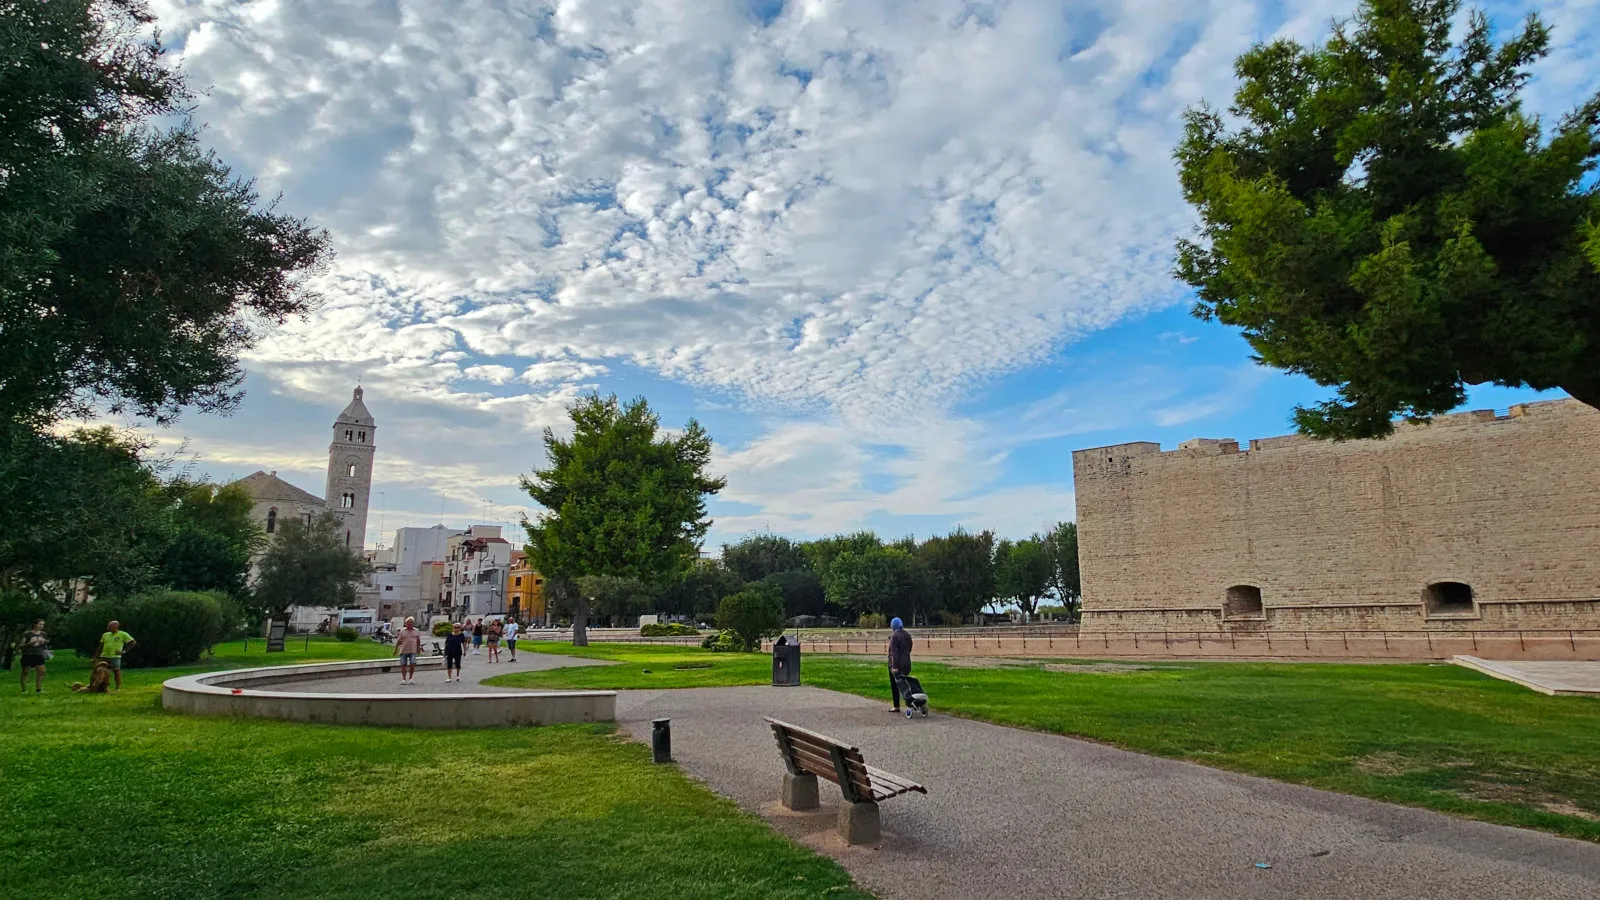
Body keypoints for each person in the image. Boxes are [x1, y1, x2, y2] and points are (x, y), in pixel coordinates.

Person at [96, 620, 136, 691]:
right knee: (101, 672)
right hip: (104, 656)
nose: (108, 628)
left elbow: (133, 642)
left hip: (115, 657)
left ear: (116, 627)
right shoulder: (105, 635)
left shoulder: (123, 634)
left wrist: (123, 651)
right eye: (108, 626)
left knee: (116, 672)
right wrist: (96, 656)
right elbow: (100, 646)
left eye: (110, 626)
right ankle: (101, 687)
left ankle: (118, 688)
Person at [887, 617, 913, 713]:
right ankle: (912, 700)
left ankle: (897, 705)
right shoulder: (907, 635)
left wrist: (894, 666)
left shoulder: (894, 636)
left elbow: (894, 653)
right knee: (906, 682)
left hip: (897, 664)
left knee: (896, 685)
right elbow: (910, 647)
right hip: (907, 664)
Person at [17, 619, 49, 694]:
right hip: (28, 655)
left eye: (43, 624)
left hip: (39, 655)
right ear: (35, 624)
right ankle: (24, 690)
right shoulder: (27, 633)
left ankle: (39, 690)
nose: (42, 626)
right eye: (40, 624)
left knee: (42, 672)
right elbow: (21, 646)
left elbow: (44, 645)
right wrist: (30, 643)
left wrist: (44, 642)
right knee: (25, 672)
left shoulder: (43, 634)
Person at [393, 617, 423, 685]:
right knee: (403, 665)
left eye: (410, 623)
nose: (409, 625)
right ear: (405, 623)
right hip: (404, 650)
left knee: (412, 663)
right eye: (408, 623)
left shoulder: (416, 631)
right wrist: (395, 649)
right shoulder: (402, 631)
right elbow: (398, 641)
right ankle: (403, 679)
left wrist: (418, 648)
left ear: (413, 623)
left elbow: (418, 641)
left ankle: (411, 678)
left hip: (413, 650)